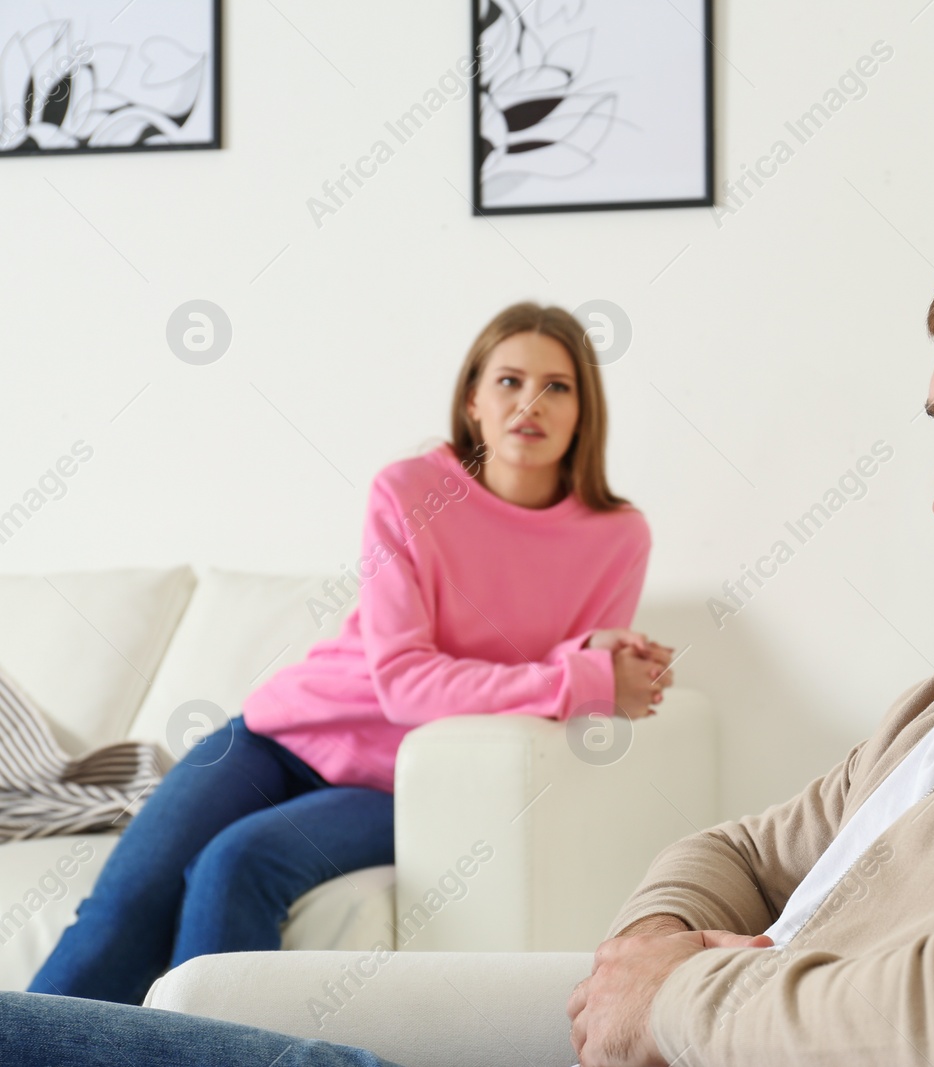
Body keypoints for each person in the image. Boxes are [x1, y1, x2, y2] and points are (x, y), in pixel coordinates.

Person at [1, 191, 934, 1067]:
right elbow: (747, 842)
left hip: (685, 1006)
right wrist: (664, 942)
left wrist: (681, 1003)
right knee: (174, 982)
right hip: (318, 749)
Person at [25, 301, 674, 1008]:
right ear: (473, 401)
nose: (531, 403)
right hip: (274, 737)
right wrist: (582, 672)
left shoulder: (617, 537)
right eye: (510, 381)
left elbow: (556, 681)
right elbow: (404, 682)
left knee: (236, 863)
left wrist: (590, 658)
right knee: (120, 906)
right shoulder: (410, 491)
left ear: (585, 410)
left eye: (558, 386)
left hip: (402, 783)